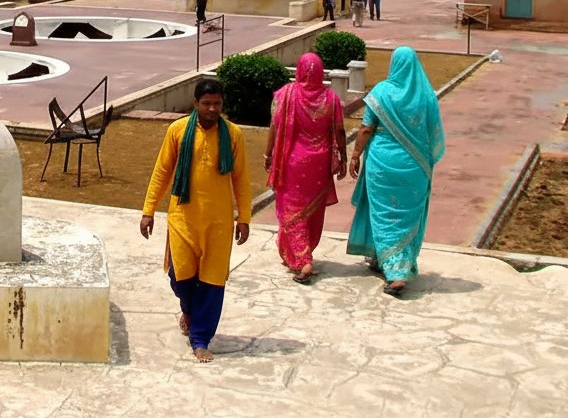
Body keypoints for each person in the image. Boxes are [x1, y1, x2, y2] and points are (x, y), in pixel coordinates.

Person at [140, 79, 251, 362]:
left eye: (217, 104)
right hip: (183, 218)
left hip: (219, 223)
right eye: (207, 104)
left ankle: (200, 339)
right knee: (179, 278)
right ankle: (188, 310)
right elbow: (162, 171)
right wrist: (148, 210)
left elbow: (241, 178)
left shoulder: (234, 135)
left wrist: (245, 217)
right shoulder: (177, 131)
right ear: (195, 103)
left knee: (212, 283)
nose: (212, 109)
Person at [347, 47, 446, 297]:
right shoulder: (426, 96)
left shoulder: (381, 92)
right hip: (415, 167)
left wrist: (356, 154)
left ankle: (396, 272)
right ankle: (389, 260)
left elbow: (367, 128)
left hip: (382, 165)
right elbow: (433, 133)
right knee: (405, 217)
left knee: (384, 215)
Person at [264, 52, 347, 283]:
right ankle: (299, 254)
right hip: (318, 165)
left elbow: (274, 126)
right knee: (311, 211)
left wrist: (268, 153)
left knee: (292, 212)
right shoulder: (331, 99)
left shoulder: (285, 95)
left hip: (291, 162)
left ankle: (303, 260)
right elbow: (339, 130)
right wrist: (343, 156)